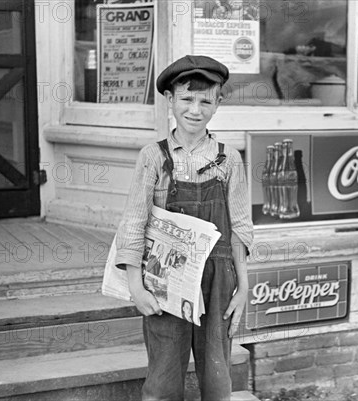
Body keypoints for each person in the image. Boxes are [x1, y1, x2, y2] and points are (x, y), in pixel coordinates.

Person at [114, 55, 253, 401]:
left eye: (206, 100)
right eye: (187, 99)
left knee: (217, 374)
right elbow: (133, 222)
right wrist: (136, 286)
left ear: (218, 103)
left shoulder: (228, 159)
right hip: (165, 282)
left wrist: (243, 288)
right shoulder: (154, 157)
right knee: (162, 376)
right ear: (170, 101)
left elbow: (241, 228)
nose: (195, 109)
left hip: (218, 281)